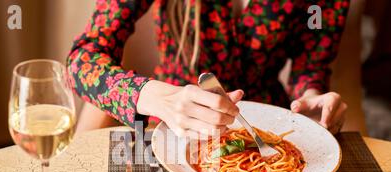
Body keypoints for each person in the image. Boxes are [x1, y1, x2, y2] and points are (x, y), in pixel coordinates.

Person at [67, 0, 351, 136]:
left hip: (267, 131)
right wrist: (156, 98)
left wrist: (311, 98)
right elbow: (83, 59)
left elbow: (310, 65)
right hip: (172, 127)